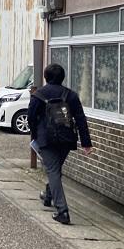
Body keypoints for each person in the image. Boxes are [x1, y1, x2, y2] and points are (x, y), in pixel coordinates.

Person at [28, 63, 93, 225]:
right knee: (55, 170)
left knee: (53, 171)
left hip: (46, 139)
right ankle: (48, 196)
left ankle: (62, 211)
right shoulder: (70, 95)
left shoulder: (38, 95)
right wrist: (86, 142)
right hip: (66, 138)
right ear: (63, 77)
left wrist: (35, 135)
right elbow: (80, 119)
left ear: (46, 77)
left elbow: (30, 117)